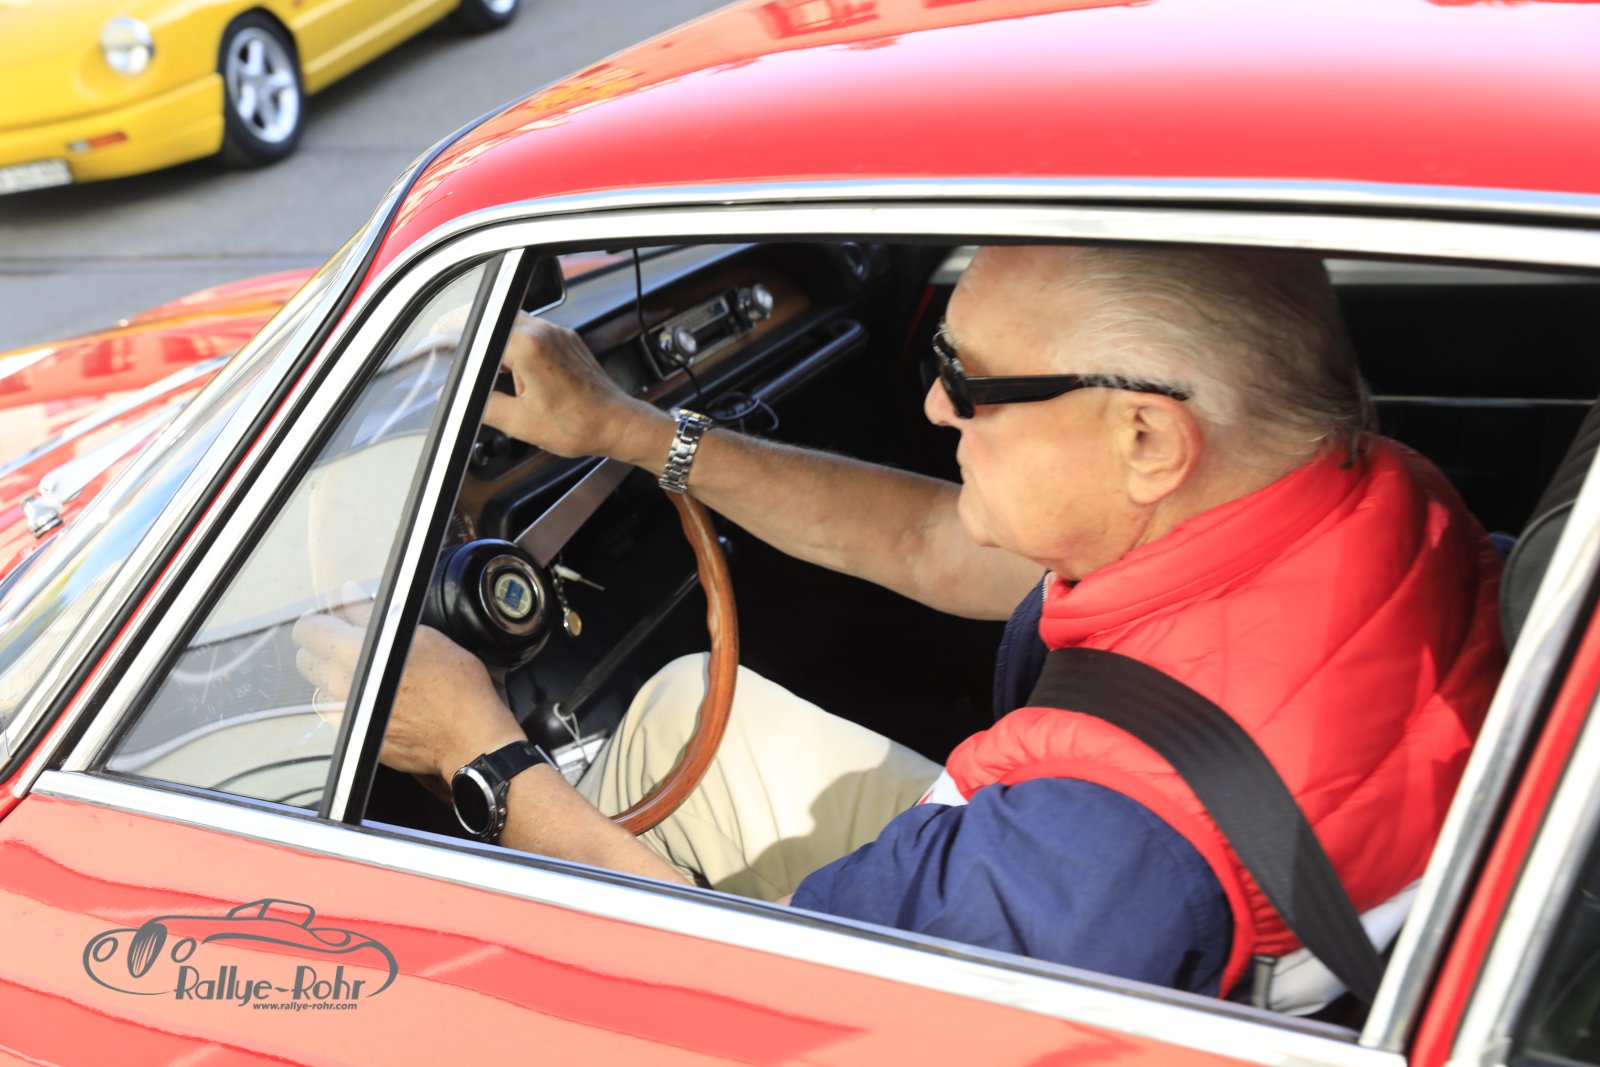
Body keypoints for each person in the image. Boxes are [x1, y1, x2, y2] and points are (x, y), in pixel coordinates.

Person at [294, 244, 1503, 1006]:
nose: (930, 403)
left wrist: (480, 757)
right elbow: (930, 542)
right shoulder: (1359, 495)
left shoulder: (1092, 855)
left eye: (969, 380)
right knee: (677, 704)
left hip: (971, 969)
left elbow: (770, 997)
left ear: (1146, 438)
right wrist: (630, 430)